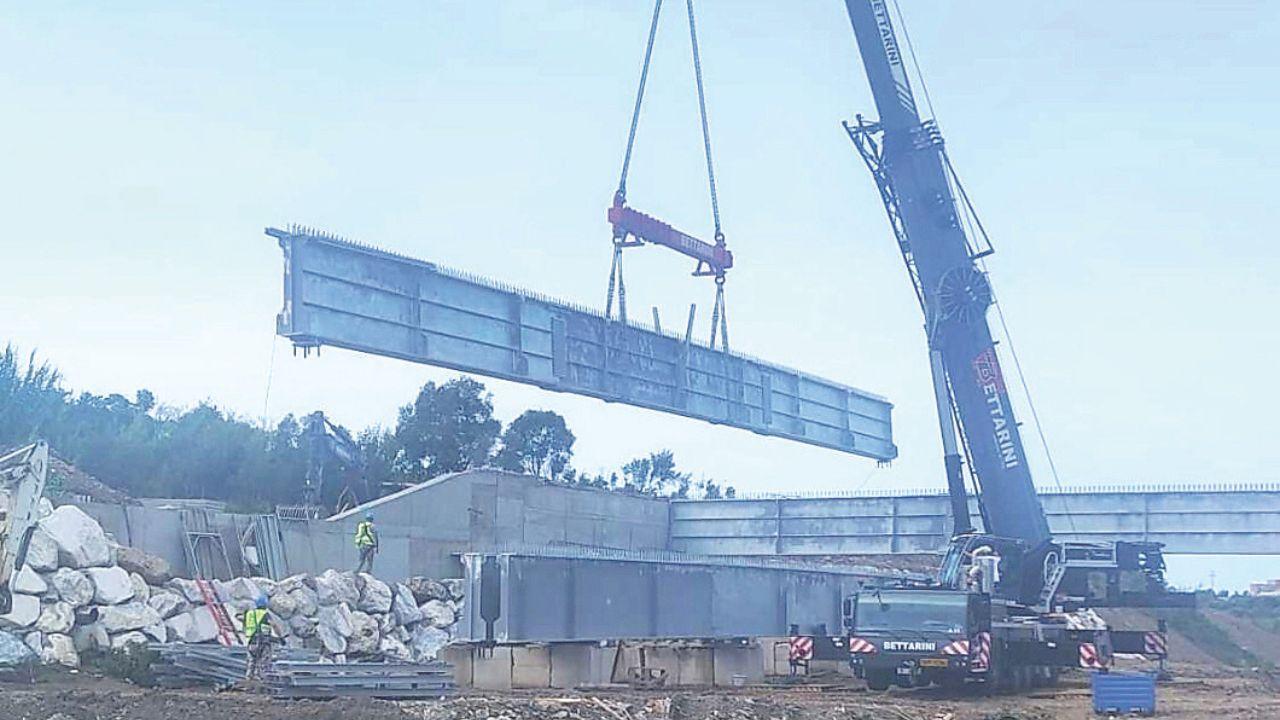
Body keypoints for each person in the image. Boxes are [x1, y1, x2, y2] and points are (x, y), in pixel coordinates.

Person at [243, 595, 275, 680]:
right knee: (263, 662)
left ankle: (248, 680)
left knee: (251, 662)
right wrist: (281, 637)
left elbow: (244, 625)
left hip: (250, 641)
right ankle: (261, 680)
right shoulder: (265, 614)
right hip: (262, 641)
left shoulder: (249, 614)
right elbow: (273, 625)